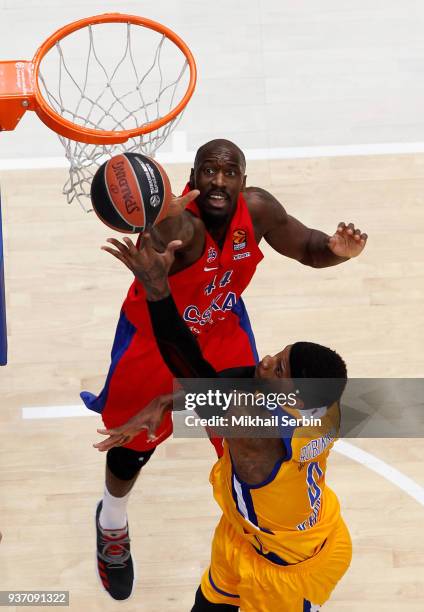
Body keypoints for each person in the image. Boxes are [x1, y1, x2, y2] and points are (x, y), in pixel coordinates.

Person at [84, 139, 366, 600]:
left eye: (229, 172)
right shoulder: (179, 226)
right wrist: (154, 221)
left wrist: (338, 251)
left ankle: (247, 540)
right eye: (208, 172)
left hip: (220, 329)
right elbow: (162, 231)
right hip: (154, 339)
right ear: (190, 181)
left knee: (244, 445)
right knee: (131, 443)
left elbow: (311, 247)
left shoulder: (259, 212)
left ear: (243, 181)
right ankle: (111, 521)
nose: (218, 180)